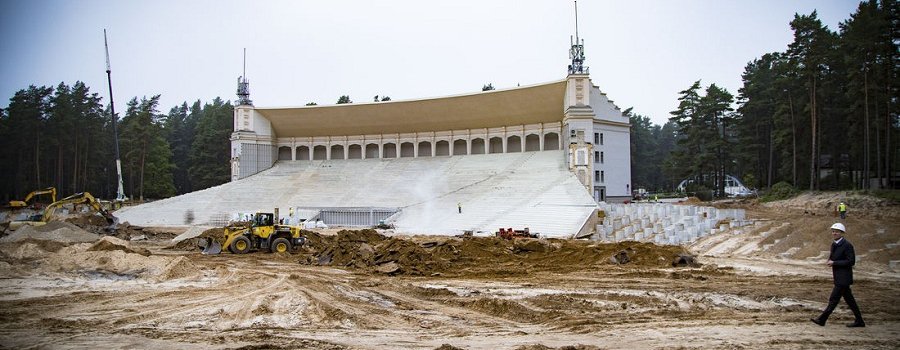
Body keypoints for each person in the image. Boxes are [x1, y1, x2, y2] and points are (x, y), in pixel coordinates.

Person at [811, 222, 865, 327]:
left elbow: (851, 261)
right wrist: (830, 260)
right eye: (833, 231)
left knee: (833, 300)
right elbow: (834, 256)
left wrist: (834, 263)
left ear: (842, 233)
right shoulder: (834, 244)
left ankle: (822, 319)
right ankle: (860, 321)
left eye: (836, 231)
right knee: (850, 301)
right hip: (838, 276)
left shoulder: (847, 245)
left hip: (844, 278)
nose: (834, 233)